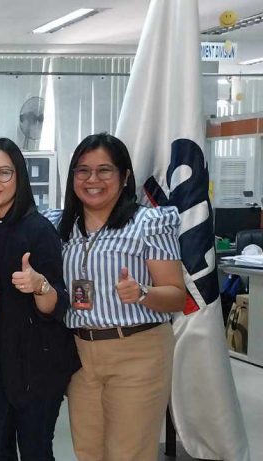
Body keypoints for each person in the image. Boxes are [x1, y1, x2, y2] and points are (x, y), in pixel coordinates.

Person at [49, 133, 185, 460]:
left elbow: (176, 296)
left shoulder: (148, 222)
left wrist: (143, 293)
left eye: (104, 170)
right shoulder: (58, 225)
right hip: (80, 353)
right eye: (82, 171)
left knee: (129, 452)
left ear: (124, 177)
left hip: (137, 351)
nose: (92, 180)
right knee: (88, 450)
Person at [0, 138, 79, 460]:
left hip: (37, 364)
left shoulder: (38, 230)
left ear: (20, 177)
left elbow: (55, 306)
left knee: (34, 450)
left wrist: (39, 285)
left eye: (3, 173)